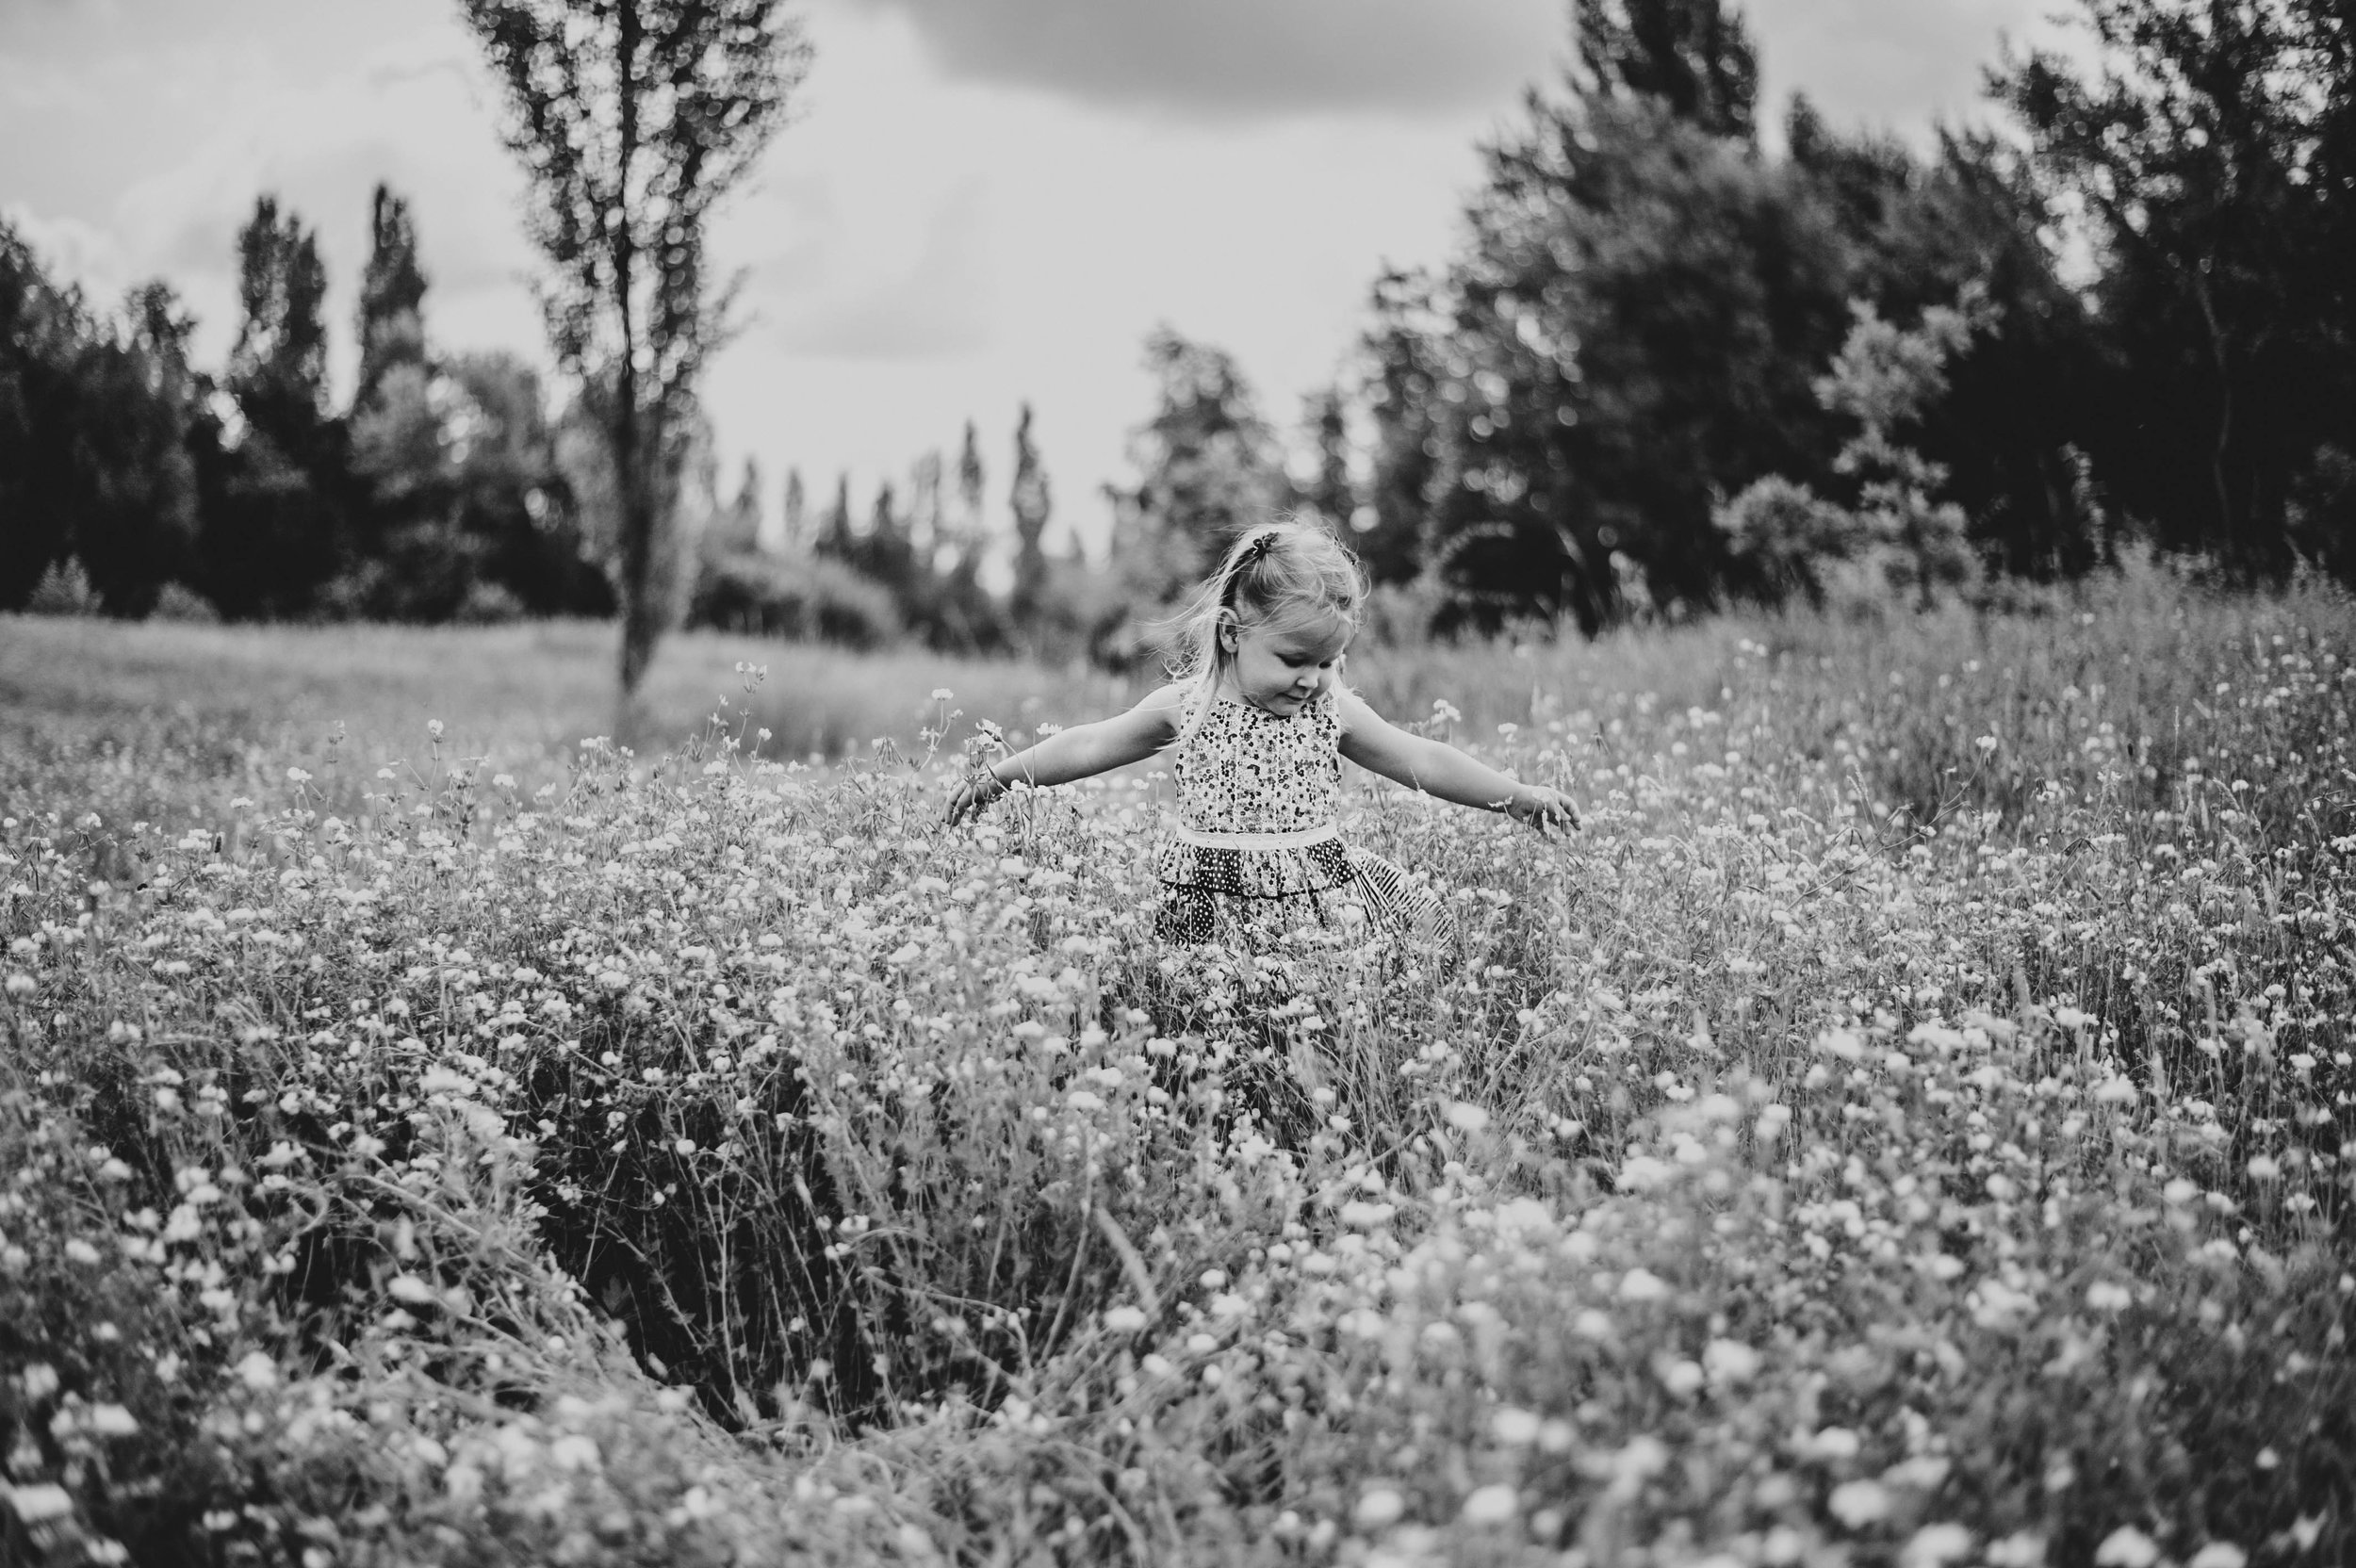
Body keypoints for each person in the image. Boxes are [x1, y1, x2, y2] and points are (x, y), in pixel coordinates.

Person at [944, 521, 1579, 947]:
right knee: (1215, 1034)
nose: (1312, 680)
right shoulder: (1187, 708)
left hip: (1316, 909)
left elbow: (1422, 759)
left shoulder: (1333, 713)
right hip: (1209, 908)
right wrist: (1003, 775)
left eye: (1328, 663)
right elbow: (1087, 743)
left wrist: (1516, 796)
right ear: (1231, 635)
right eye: (1294, 660)